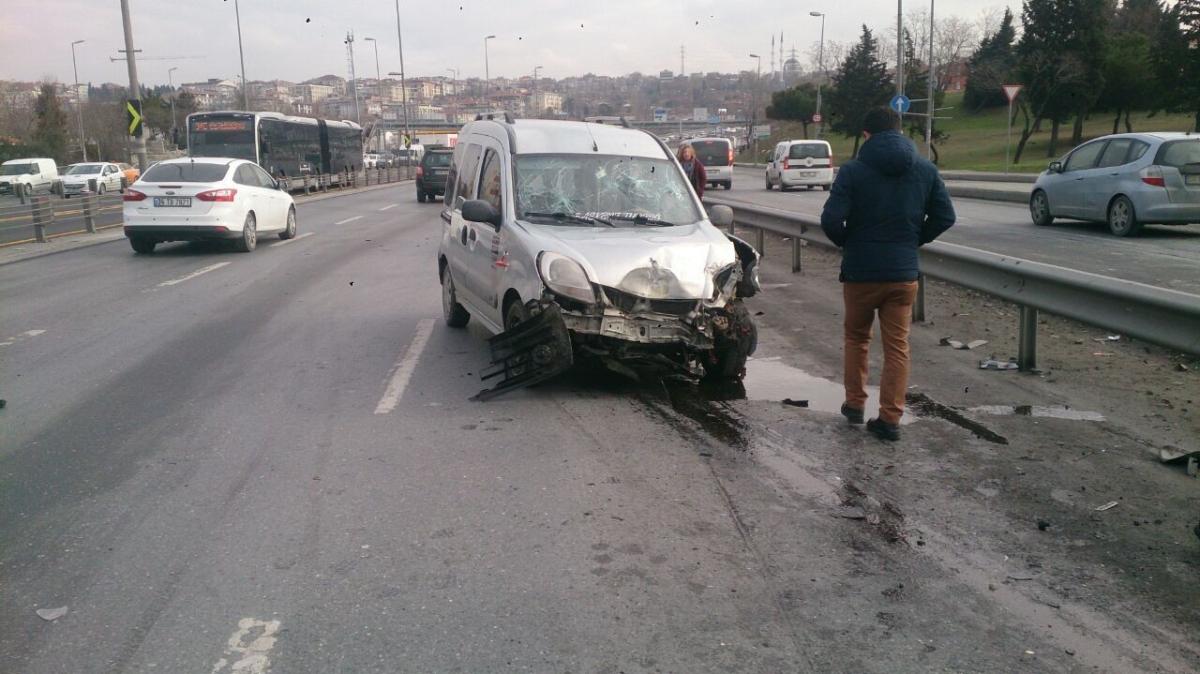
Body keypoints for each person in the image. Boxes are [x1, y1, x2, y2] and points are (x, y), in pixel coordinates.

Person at [820, 107, 956, 442]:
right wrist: (913, 240)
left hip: (861, 272)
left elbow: (831, 220)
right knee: (898, 346)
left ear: (866, 134)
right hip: (902, 274)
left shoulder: (853, 171)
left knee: (857, 339)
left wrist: (849, 243)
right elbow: (945, 216)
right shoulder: (925, 169)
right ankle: (890, 419)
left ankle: (854, 404)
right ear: (899, 130)